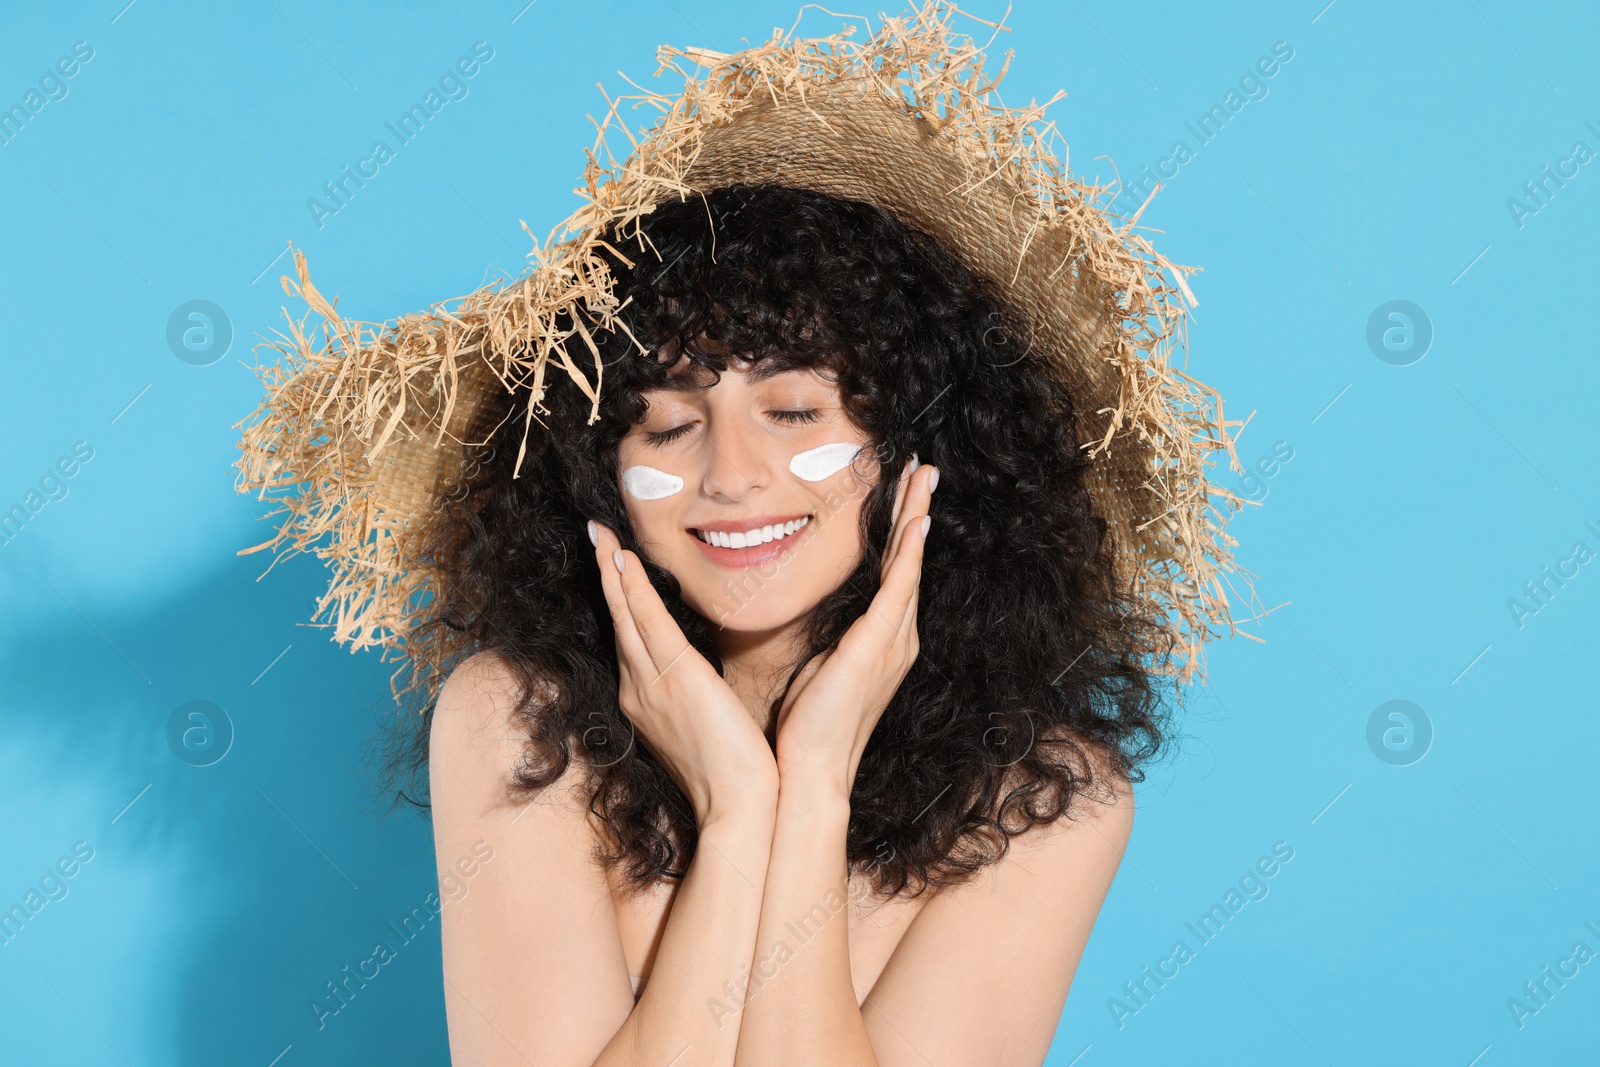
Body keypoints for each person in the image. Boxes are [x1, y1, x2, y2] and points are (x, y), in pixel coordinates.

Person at [233, 6, 1250, 1064]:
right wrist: (736, 808)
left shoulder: (1048, 793)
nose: (727, 476)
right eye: (667, 424)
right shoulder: (514, 721)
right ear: (596, 475)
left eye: (796, 412)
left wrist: (809, 788)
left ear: (915, 446)